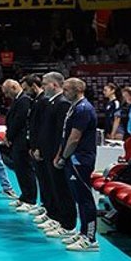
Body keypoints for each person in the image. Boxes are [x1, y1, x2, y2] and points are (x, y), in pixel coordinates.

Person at [30, 72, 78, 239]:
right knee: (52, 187)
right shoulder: (51, 102)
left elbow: (60, 134)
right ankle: (55, 217)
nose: (43, 87)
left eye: (45, 84)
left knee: (62, 189)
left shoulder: (62, 104)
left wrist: (60, 155)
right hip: (48, 152)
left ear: (54, 85)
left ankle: (67, 224)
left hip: (55, 154)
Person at [57, 78, 100, 252]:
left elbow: (74, 138)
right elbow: (66, 134)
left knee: (84, 198)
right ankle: (83, 232)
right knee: (78, 198)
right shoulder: (74, 107)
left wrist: (63, 157)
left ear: (77, 90)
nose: (64, 92)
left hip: (80, 159)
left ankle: (90, 239)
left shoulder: (83, 109)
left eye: (66, 89)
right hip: (73, 158)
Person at [1, 79, 37, 212]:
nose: (6, 95)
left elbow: (19, 121)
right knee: (20, 170)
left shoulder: (24, 100)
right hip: (16, 140)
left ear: (13, 87)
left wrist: (9, 136)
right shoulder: (18, 100)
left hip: (22, 141)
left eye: (7, 92)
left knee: (26, 170)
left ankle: (30, 199)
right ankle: (24, 196)